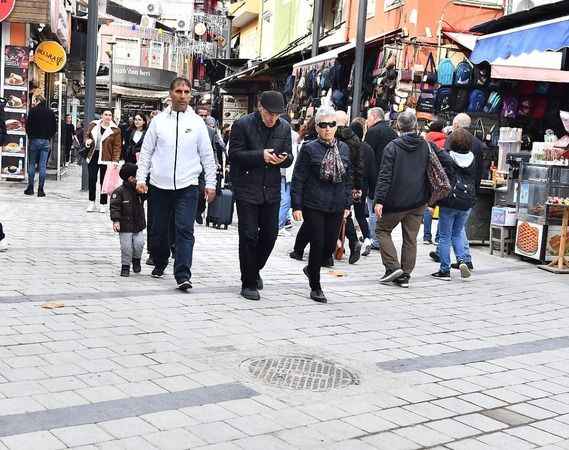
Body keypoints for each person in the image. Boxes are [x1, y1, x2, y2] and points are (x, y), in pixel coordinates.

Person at [136, 77, 217, 291]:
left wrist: (211, 183)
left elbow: (207, 156)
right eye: (179, 91)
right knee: (159, 230)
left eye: (186, 92)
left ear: (191, 95)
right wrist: (141, 178)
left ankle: (182, 274)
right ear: (170, 94)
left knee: (184, 229)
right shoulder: (158, 121)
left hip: (187, 185)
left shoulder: (197, 123)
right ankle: (160, 260)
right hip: (159, 185)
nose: (183, 95)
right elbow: (146, 152)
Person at [228, 91, 293, 301]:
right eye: (269, 113)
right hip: (247, 187)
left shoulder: (284, 127)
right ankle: (248, 282)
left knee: (270, 235)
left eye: (277, 114)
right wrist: (260, 156)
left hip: (272, 188)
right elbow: (234, 155)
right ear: (260, 108)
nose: (272, 118)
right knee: (248, 235)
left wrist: (283, 159)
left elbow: (290, 156)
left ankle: (253, 269)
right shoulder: (242, 124)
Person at [291, 105, 352, 303]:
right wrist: (297, 206)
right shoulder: (309, 148)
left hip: (336, 203)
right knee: (317, 244)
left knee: (328, 247)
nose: (327, 128)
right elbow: (299, 177)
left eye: (331, 124)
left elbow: (348, 178)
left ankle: (311, 268)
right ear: (316, 127)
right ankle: (315, 286)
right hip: (314, 203)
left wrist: (347, 204)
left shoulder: (343, 148)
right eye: (323, 125)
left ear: (336, 126)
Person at [374, 110, 429, 289]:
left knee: (382, 230)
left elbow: (385, 176)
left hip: (396, 201)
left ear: (398, 126)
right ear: (415, 126)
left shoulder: (393, 147)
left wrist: (379, 200)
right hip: (418, 200)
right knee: (411, 238)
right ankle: (405, 274)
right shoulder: (425, 145)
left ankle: (392, 267)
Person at [431, 113, 485, 270]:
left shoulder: (448, 156)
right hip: (467, 198)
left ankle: (444, 268)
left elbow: (441, 173)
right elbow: (479, 173)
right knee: (457, 232)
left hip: (450, 199)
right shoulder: (474, 156)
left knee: (445, 235)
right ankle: (463, 260)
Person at [364, 107, 397, 250]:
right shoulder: (393, 132)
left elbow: (366, 155)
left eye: (368, 117)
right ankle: (381, 236)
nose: (367, 121)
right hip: (389, 177)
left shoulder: (372, 132)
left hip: (374, 176)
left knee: (372, 209)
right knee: (383, 209)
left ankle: (374, 239)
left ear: (375, 117)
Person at [334, 110, 363, 264]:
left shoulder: (331, 136)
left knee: (335, 212)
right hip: (349, 180)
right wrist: (357, 185)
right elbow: (359, 165)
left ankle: (347, 242)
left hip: (334, 179)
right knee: (345, 212)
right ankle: (351, 242)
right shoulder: (355, 138)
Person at [110, 163, 146, 278]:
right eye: (137, 176)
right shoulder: (119, 192)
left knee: (139, 244)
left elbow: (148, 195)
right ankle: (125, 266)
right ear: (131, 178)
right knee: (126, 247)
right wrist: (116, 221)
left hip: (138, 224)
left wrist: (145, 191)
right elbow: (114, 207)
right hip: (125, 226)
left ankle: (136, 260)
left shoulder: (139, 190)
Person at [84, 110, 122, 213]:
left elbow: (117, 147)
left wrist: (115, 160)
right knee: (92, 179)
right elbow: (86, 135)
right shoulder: (93, 124)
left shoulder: (115, 130)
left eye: (110, 115)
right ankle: (91, 202)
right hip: (93, 155)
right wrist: (87, 141)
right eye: (106, 114)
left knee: (104, 182)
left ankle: (103, 203)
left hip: (107, 158)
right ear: (101, 116)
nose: (108, 117)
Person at [350, 117, 377, 257]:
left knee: (344, 214)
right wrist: (372, 190)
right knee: (360, 214)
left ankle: (345, 241)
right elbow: (373, 171)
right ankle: (367, 239)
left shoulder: (346, 146)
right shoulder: (368, 148)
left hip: (348, 186)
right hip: (363, 186)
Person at [24, 95, 57, 197]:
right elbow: (54, 128)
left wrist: (30, 136)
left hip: (34, 140)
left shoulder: (33, 111)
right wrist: (48, 137)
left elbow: (27, 125)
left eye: (35, 100)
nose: (33, 102)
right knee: (42, 166)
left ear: (38, 101)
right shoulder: (50, 112)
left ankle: (30, 188)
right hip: (45, 141)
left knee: (32, 164)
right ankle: (40, 190)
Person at [423, 118, 447, 245]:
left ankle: (426, 237)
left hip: (429, 177)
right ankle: (438, 238)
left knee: (429, 206)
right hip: (443, 178)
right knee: (442, 207)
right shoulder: (447, 140)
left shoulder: (425, 140)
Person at [278, 113, 299, 235]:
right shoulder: (294, 135)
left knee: (282, 197)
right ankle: (279, 225)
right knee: (286, 199)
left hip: (279, 169)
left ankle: (284, 221)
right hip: (288, 171)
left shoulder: (277, 132)